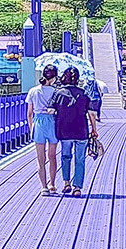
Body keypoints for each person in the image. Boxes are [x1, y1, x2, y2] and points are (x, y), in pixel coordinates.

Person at [53, 66, 99, 196]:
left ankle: (66, 183)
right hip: (81, 130)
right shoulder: (84, 93)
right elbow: (91, 113)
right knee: (80, 160)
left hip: (64, 130)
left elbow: (51, 109)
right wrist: (94, 129)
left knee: (66, 156)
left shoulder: (58, 93)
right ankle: (77, 187)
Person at [25, 63, 59, 194]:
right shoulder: (56, 92)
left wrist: (31, 128)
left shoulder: (33, 91)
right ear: (54, 78)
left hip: (38, 122)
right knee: (52, 156)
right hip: (52, 122)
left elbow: (29, 113)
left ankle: (43, 186)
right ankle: (52, 184)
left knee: (40, 158)